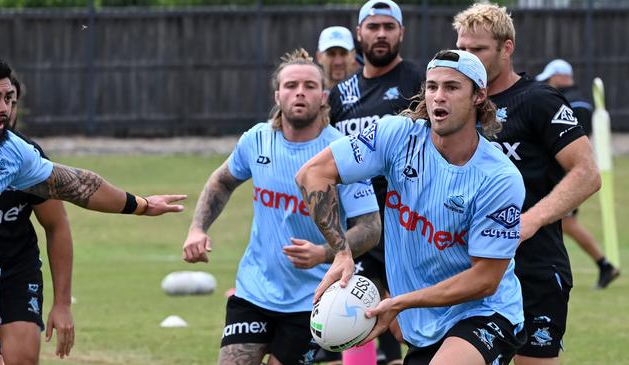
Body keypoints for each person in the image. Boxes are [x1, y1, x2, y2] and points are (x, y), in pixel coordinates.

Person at [297, 49, 527, 365]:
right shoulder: (397, 135)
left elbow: (485, 280)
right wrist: (340, 250)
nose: (438, 97)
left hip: (485, 312)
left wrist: (402, 302)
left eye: (452, 87)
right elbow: (313, 173)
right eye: (431, 87)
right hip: (423, 325)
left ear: (478, 95)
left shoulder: (499, 178)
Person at [0, 53, 185, 365]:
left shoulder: (13, 152)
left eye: (8, 98)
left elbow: (77, 185)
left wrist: (140, 205)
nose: (4, 109)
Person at [181, 48, 381, 365]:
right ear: (278, 94)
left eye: (309, 86)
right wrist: (196, 229)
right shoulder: (256, 140)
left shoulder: (344, 153)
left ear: (324, 96)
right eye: (290, 86)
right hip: (254, 292)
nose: (299, 92)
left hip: (314, 299)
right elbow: (222, 181)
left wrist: (324, 252)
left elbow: (370, 228)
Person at [453, 4, 602, 364]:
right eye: (461, 49)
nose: (466, 57)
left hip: (531, 269)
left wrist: (530, 221)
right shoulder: (458, 104)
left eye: (478, 49)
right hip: (468, 271)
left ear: (506, 49)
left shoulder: (538, 100)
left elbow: (587, 173)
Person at [325, 1, 425, 363]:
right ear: (359, 34)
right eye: (373, 26)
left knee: (413, 323)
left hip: (412, 226)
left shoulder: (419, 82)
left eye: (388, 26)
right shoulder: (341, 94)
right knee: (354, 315)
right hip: (363, 226)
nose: (380, 34)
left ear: (401, 33)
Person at [0, 75, 74, 364]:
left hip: (15, 272)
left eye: (11, 102)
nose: (6, 111)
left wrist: (62, 304)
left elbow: (56, 225)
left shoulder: (26, 158)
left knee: (21, 358)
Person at [536, 59, 620, 289]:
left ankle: (604, 265)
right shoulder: (570, 101)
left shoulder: (575, 105)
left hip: (567, 173)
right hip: (564, 172)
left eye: (551, 78)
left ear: (562, 76)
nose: (549, 83)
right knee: (562, 222)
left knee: (566, 222)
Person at [316, 26, 358, 92]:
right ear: (319, 57)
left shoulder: (367, 95)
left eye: (343, 54)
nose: (338, 62)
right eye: (331, 54)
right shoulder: (311, 97)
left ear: (353, 55)